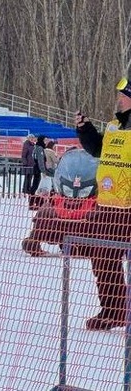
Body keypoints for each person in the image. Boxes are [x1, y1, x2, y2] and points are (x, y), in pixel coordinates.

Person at [73, 74, 131, 330]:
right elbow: (98, 149)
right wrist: (85, 129)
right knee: (102, 257)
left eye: (123, 96)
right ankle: (113, 310)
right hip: (108, 205)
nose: (118, 100)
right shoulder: (113, 126)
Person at [21, 133, 39, 208]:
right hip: (28, 165)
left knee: (32, 179)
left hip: (33, 165)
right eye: (31, 138)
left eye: (33, 138)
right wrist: (25, 164)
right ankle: (27, 191)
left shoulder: (33, 145)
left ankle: (30, 192)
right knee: (28, 179)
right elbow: (24, 155)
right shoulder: (26, 145)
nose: (32, 139)